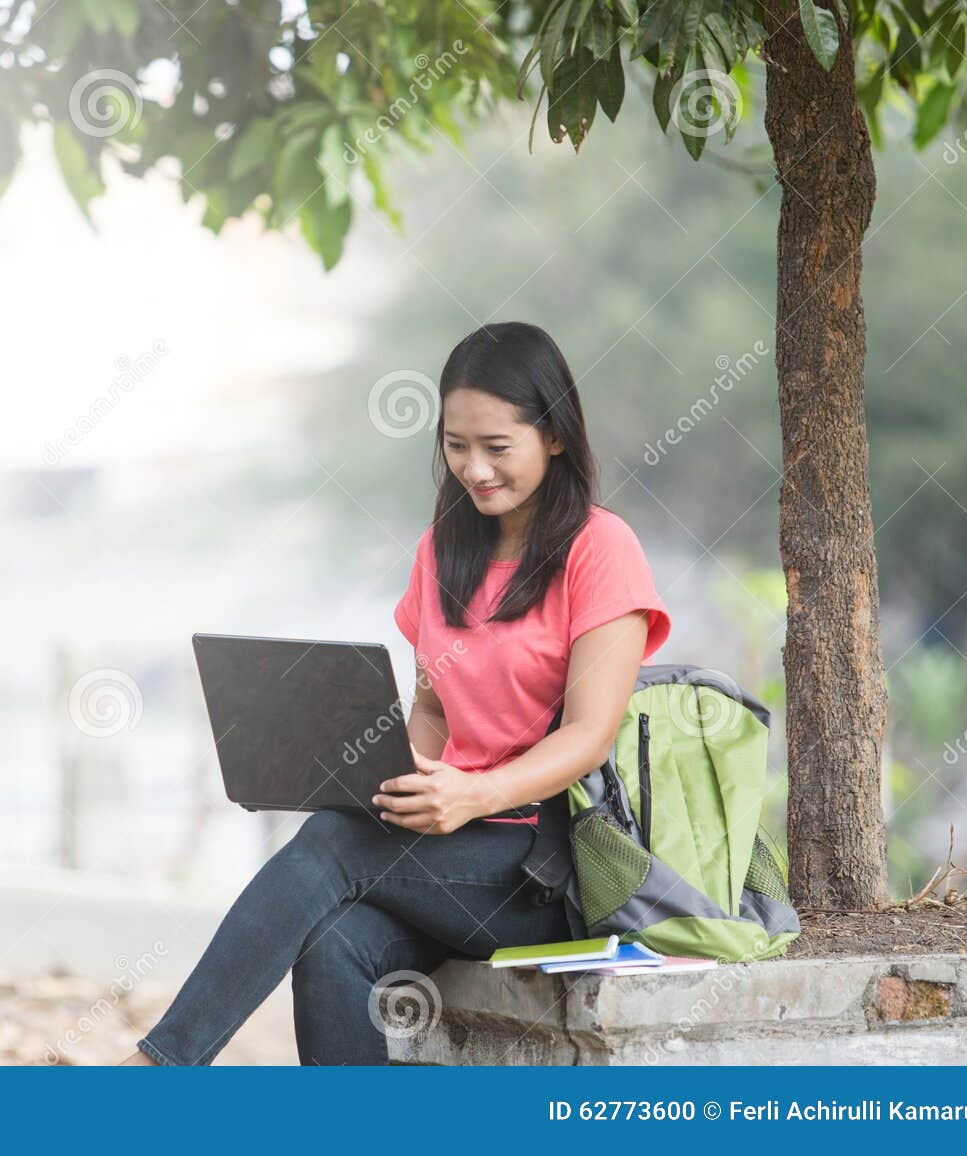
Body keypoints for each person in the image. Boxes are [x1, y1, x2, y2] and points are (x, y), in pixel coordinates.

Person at [121, 321, 671, 1065]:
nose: (474, 468)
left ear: (557, 437)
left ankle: (162, 1067)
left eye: (497, 447)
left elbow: (589, 736)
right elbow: (436, 712)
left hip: (544, 867)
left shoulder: (601, 550)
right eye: (455, 444)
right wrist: (375, 776)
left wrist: (475, 796)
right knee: (332, 943)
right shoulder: (443, 548)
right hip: (452, 855)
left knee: (334, 843)